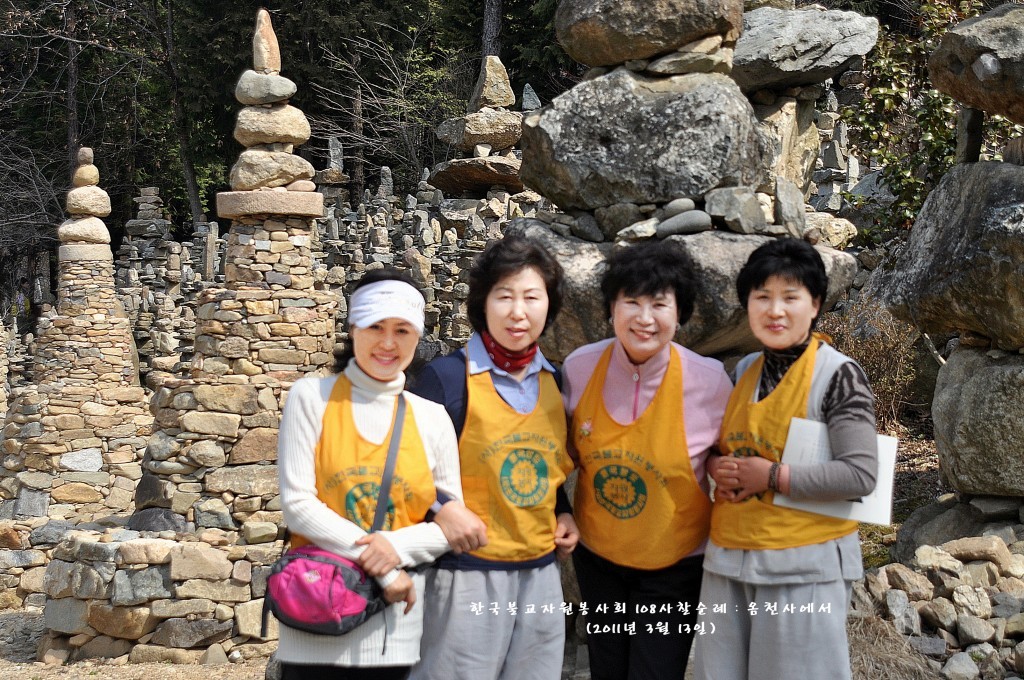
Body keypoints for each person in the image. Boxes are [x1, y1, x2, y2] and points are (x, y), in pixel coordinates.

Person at [693, 238, 878, 680]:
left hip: (803, 567)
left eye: (790, 297)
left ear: (814, 305)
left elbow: (860, 474)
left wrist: (772, 476)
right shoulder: (744, 371)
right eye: (762, 297)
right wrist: (719, 467)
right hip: (729, 560)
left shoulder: (838, 375)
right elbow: (727, 447)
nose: (775, 310)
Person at [277, 269, 465, 680]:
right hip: (316, 613)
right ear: (353, 329)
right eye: (375, 327)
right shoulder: (311, 398)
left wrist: (394, 547)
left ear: (418, 336)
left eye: (402, 330)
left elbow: (451, 523)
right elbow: (298, 505)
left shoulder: (432, 418)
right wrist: (384, 567)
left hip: (395, 626)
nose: (387, 343)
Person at [561, 239, 732, 680]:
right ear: (611, 308)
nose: (644, 318)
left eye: (659, 304)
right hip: (598, 561)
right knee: (607, 671)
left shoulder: (710, 381)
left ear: (680, 313)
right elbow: (555, 453)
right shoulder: (579, 369)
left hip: (676, 566)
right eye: (631, 302)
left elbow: (731, 456)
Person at [409, 235, 576, 680]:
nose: (518, 312)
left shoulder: (555, 382)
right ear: (483, 303)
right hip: (465, 573)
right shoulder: (447, 380)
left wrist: (563, 512)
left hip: (541, 571)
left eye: (532, 297)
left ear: (549, 306)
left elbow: (547, 464)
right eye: (504, 296)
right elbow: (400, 468)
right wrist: (441, 509)